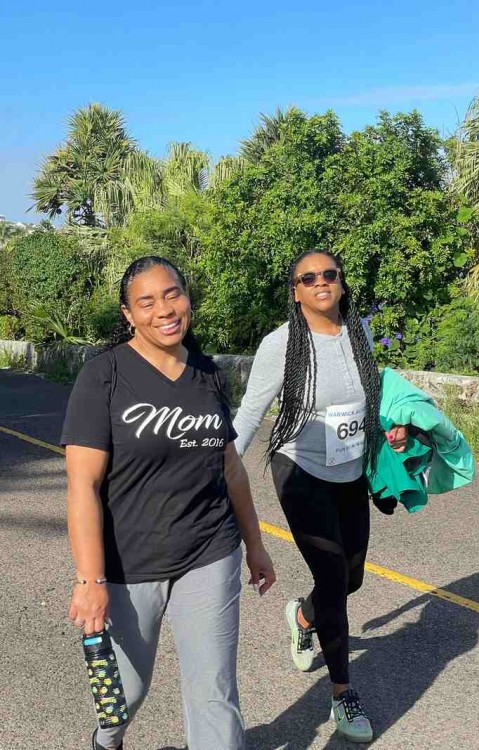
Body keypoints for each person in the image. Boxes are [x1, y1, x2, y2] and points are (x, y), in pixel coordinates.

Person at [62, 256, 275, 750]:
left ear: (187, 298)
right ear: (128, 315)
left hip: (210, 551)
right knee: (124, 696)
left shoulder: (208, 374)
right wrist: (90, 581)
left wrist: (255, 545)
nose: (164, 309)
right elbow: (82, 486)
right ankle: (107, 741)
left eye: (172, 293)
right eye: (147, 301)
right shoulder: (104, 376)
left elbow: (230, 469)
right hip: (129, 563)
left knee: (214, 694)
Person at [233, 249, 407, 743]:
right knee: (332, 577)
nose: (320, 282)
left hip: (349, 471)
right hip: (300, 470)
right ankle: (342, 694)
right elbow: (249, 414)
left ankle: (303, 615)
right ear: (296, 292)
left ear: (342, 283)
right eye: (307, 278)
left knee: (351, 578)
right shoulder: (281, 344)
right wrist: (214, 472)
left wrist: (390, 429)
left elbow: (369, 398)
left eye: (329, 274)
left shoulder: (359, 332)